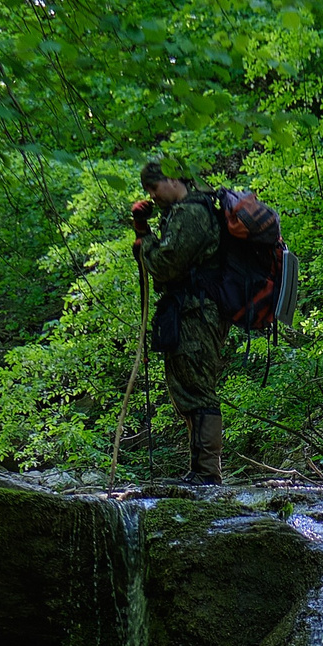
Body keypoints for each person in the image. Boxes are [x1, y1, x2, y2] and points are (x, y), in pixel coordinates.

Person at [131, 164, 228, 484]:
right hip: (187, 311)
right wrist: (145, 230)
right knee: (186, 389)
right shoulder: (181, 213)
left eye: (154, 188)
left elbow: (166, 265)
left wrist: (145, 238)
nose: (152, 196)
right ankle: (199, 472)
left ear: (172, 180)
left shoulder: (192, 213)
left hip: (197, 313)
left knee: (197, 390)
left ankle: (207, 474)